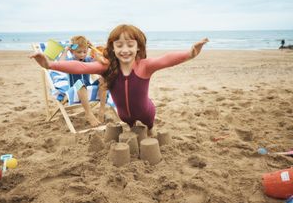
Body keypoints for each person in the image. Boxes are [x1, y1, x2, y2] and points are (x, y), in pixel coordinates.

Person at [31, 24, 208, 135]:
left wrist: (190, 53)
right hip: (124, 116)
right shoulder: (108, 67)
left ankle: (152, 130)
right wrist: (50, 64)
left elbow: (166, 59)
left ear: (138, 48)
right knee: (131, 132)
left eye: (130, 45)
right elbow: (81, 67)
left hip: (147, 112)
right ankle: (133, 130)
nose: (125, 50)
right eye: (119, 45)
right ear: (113, 48)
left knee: (150, 131)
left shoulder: (144, 65)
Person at [59, 35, 107, 126]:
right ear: (72, 51)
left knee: (104, 79)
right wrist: (66, 50)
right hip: (74, 89)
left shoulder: (88, 60)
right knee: (80, 82)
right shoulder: (70, 61)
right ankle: (89, 113)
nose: (82, 54)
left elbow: (101, 61)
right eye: (79, 52)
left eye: (84, 52)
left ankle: (102, 110)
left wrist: (92, 47)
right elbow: (60, 63)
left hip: (87, 87)